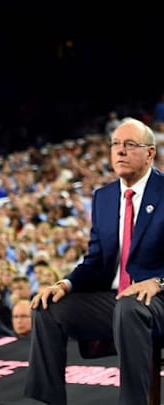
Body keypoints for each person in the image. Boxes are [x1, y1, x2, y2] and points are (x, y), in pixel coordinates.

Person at [26, 117, 164, 405]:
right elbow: (95, 261)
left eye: (130, 145)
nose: (120, 151)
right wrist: (65, 284)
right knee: (46, 308)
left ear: (150, 153)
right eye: (115, 144)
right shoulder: (104, 197)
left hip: (157, 298)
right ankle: (44, 401)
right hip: (116, 299)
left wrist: (159, 281)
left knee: (129, 307)